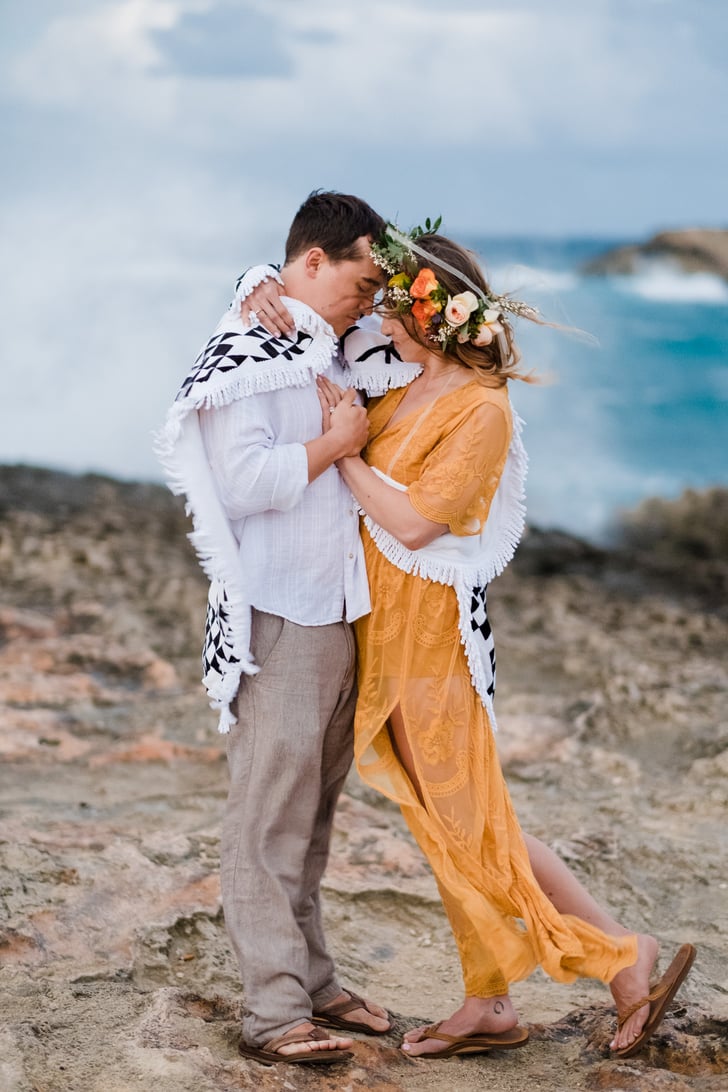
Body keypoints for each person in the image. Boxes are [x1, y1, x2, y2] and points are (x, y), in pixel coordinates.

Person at [244, 223, 696, 1062]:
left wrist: (342, 455)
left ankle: (614, 954)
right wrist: (255, 284)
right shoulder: (400, 378)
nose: (377, 314)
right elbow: (310, 320)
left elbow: (414, 525)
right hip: (382, 630)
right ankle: (491, 999)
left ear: (432, 313)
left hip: (432, 641)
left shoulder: (481, 411)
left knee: (470, 822)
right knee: (449, 822)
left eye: (393, 302)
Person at [155, 191, 396, 1066]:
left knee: (315, 813)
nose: (367, 299)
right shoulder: (243, 348)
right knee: (265, 818)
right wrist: (341, 443)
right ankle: (271, 1011)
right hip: (278, 609)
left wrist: (261, 278)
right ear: (313, 261)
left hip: (338, 606)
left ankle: (314, 981)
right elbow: (245, 480)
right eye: (359, 281)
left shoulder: (327, 341)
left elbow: (412, 327)